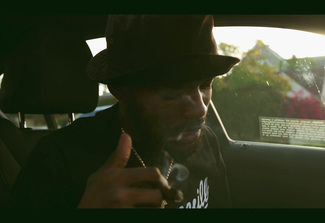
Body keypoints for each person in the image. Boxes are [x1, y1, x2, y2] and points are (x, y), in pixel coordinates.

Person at [9, 15, 240, 208]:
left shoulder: (206, 141)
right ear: (121, 90)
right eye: (172, 90)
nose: (199, 109)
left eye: (205, 85)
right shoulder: (56, 162)